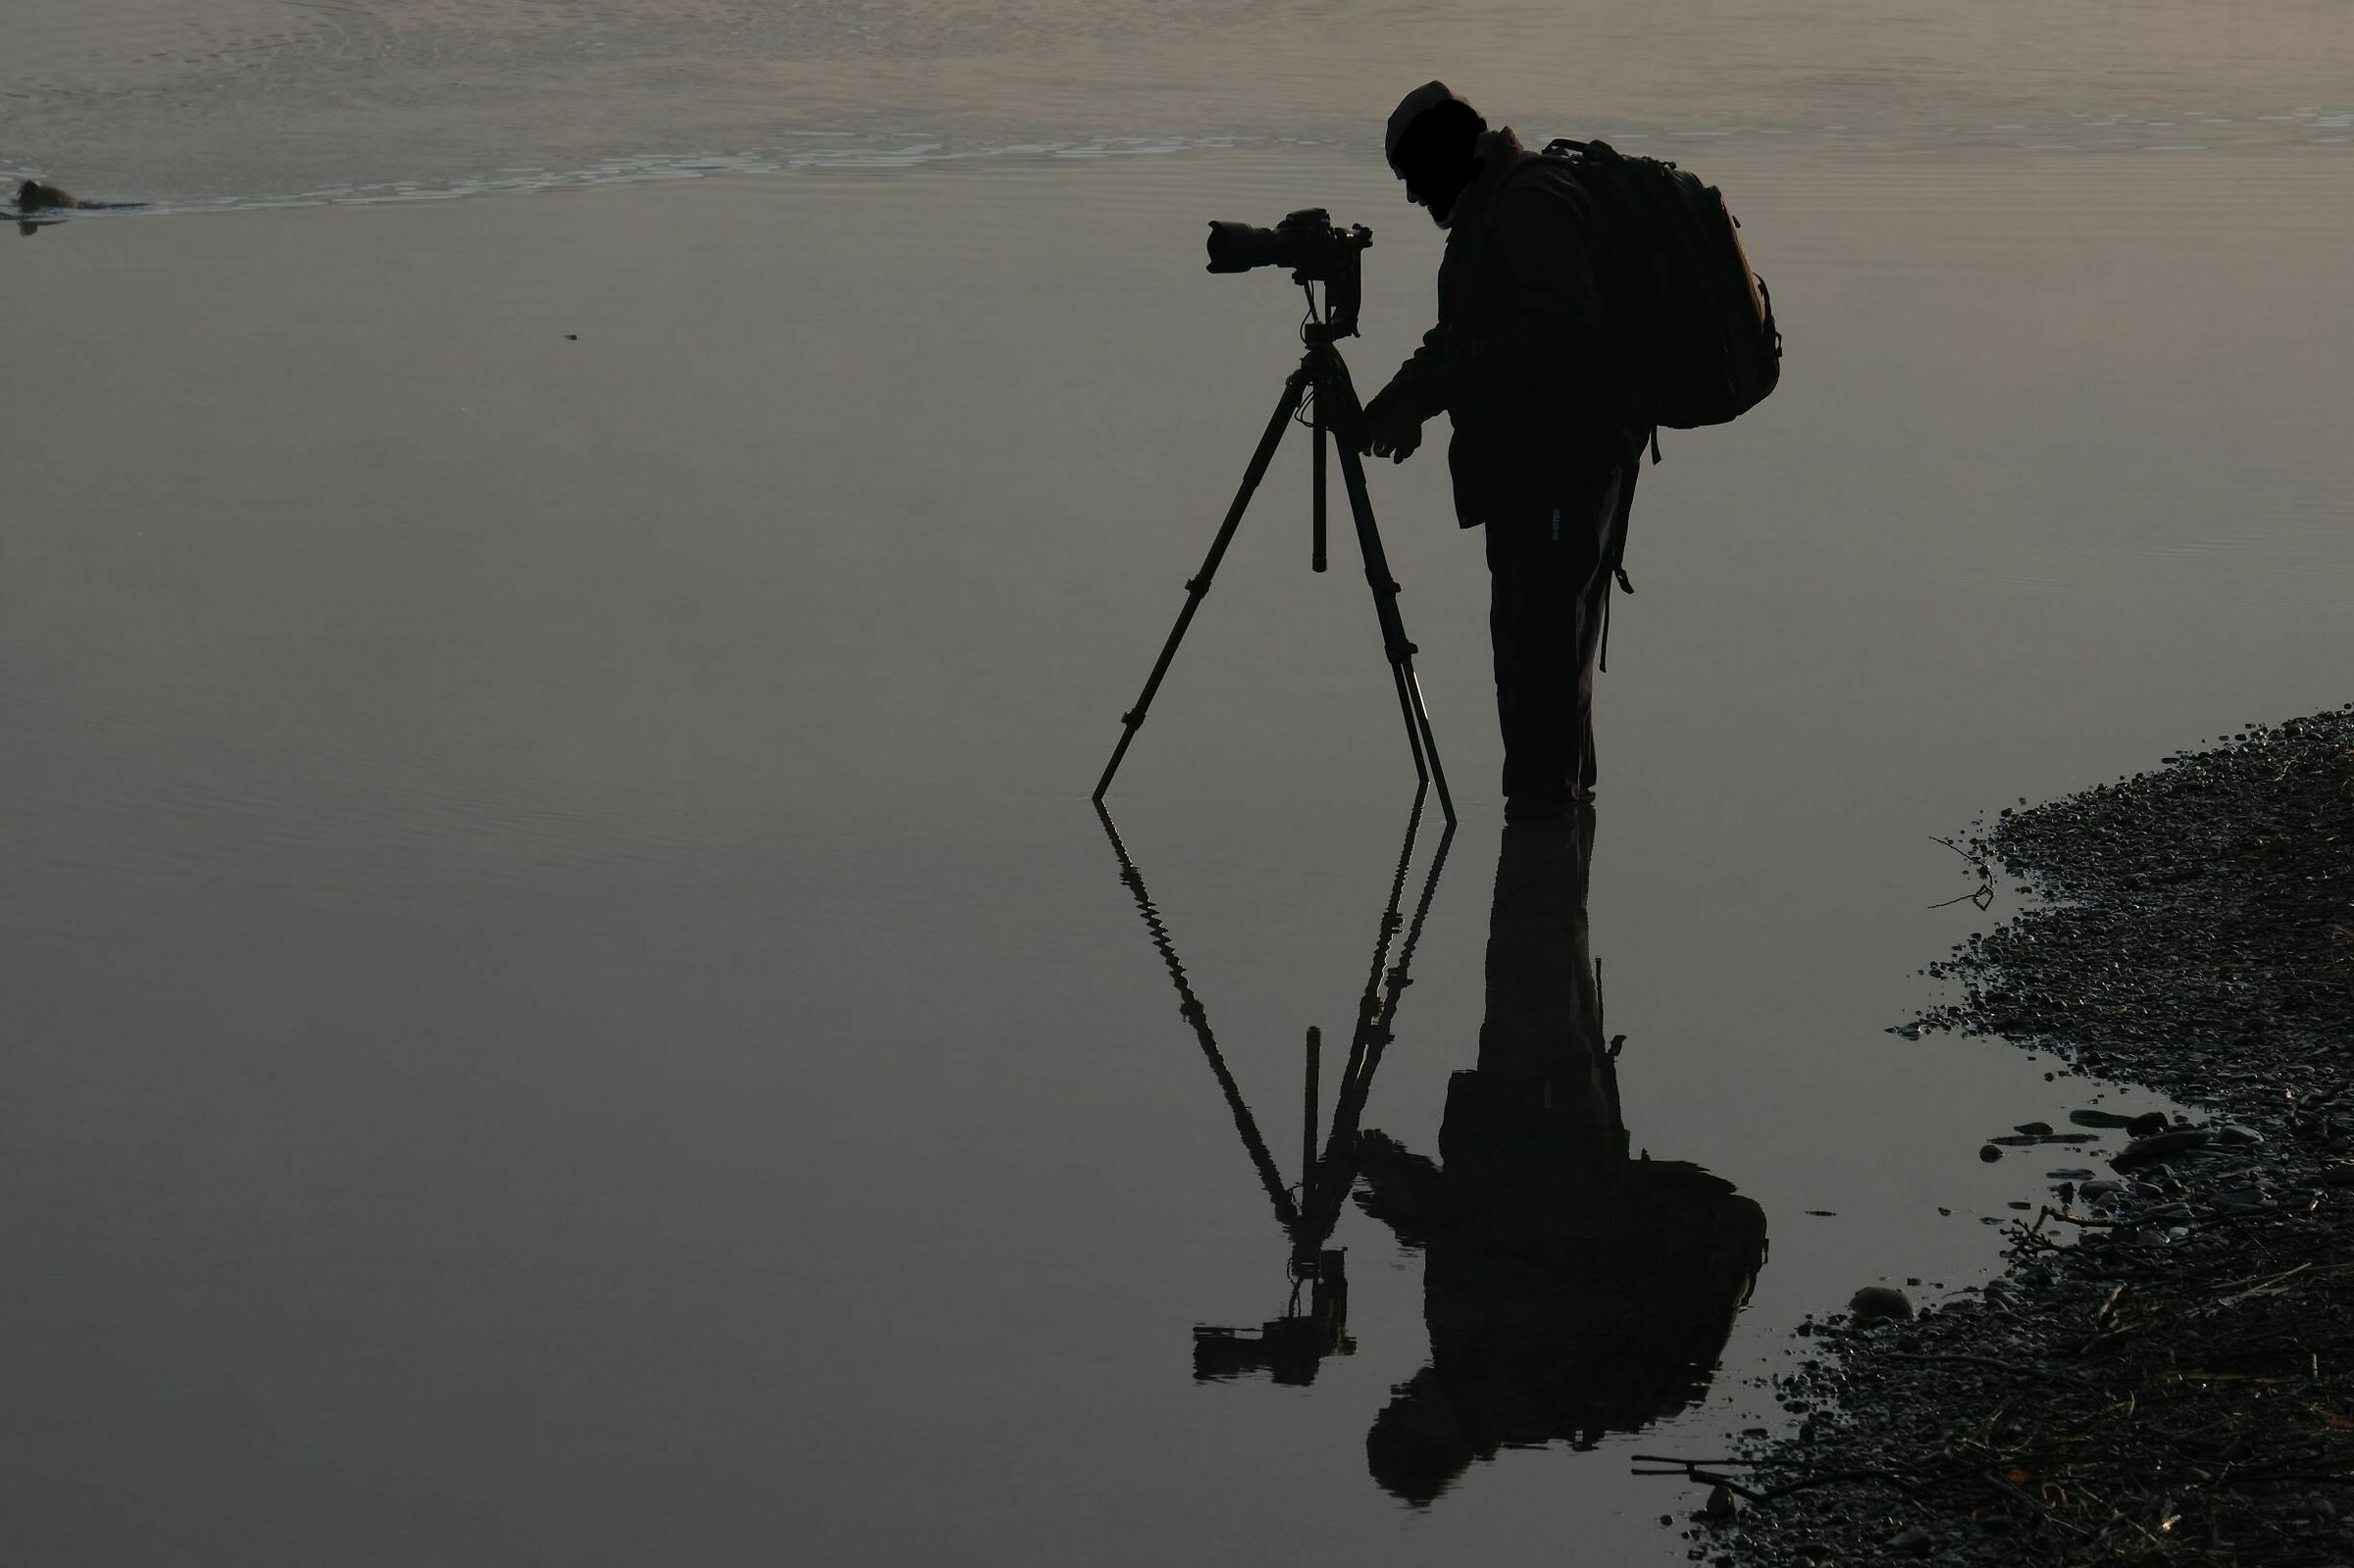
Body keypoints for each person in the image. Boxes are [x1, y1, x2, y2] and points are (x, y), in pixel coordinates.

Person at [1359, 82, 1645, 821]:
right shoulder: (1495, 209)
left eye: (1415, 180)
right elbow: (1467, 334)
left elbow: (1560, 330)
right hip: (1534, 472)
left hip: (1563, 469)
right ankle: (1553, 859)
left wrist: (1439, 387)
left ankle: (1544, 844)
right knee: (1540, 661)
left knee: (1543, 664)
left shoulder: (1529, 204)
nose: (1416, 199)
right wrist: (1407, 395)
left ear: (1448, 154)